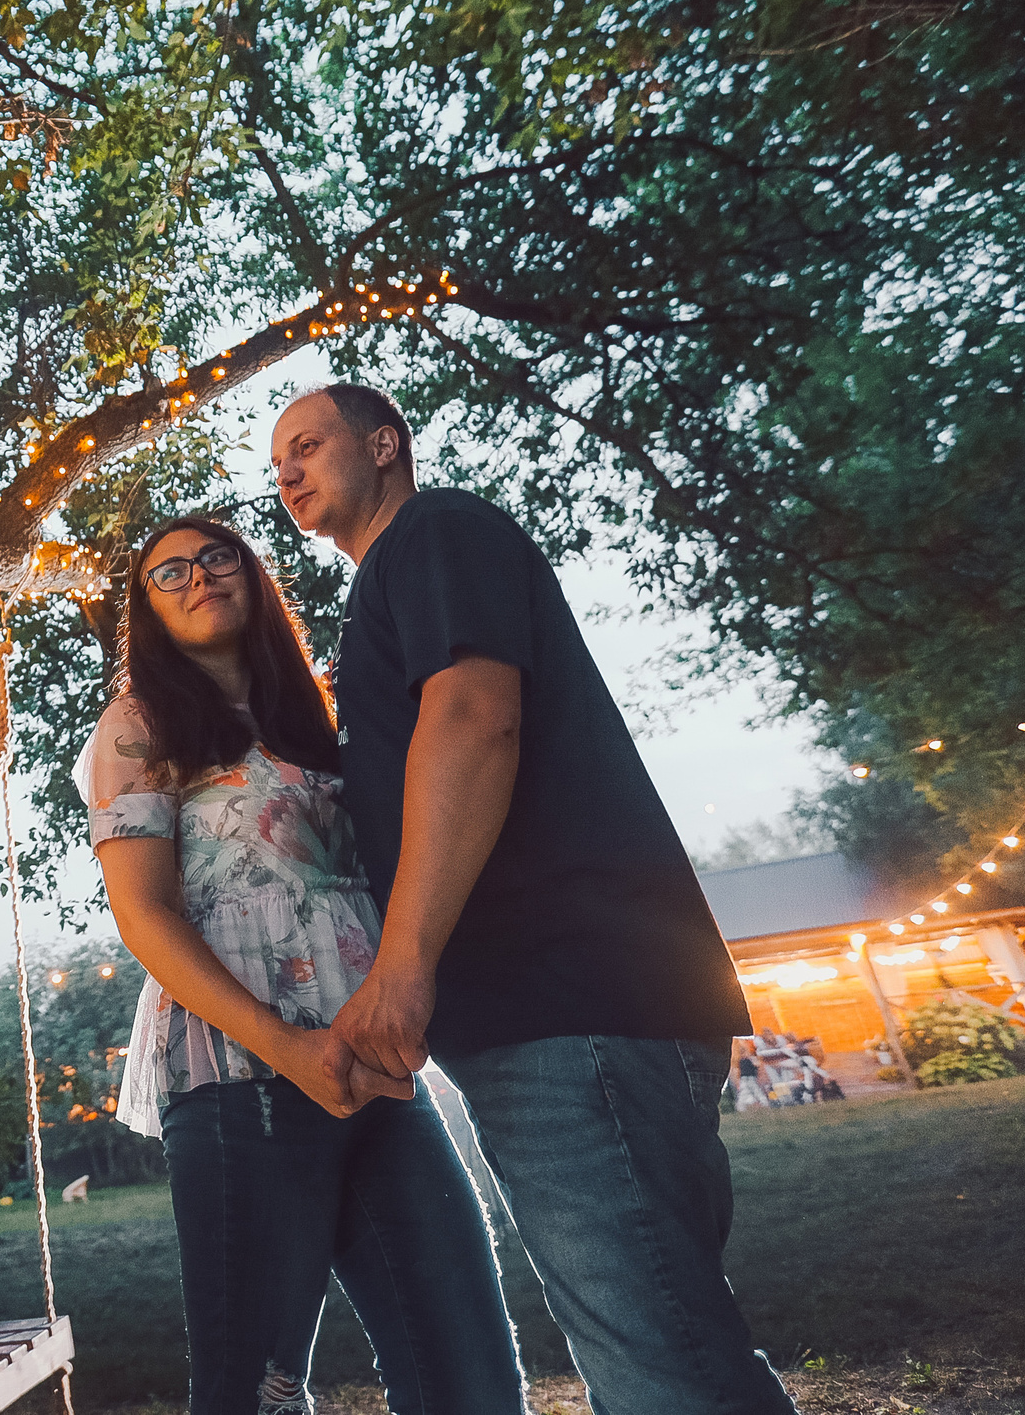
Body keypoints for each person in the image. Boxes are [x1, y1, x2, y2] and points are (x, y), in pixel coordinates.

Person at [274, 383, 796, 1415]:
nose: (285, 470)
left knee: (660, 1369)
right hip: (566, 1017)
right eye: (274, 461)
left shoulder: (432, 530)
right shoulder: (396, 575)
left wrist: (403, 968)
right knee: (670, 1343)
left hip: (572, 1005)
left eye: (306, 444)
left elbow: (472, 717)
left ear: (384, 444)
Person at [79, 514, 522, 1415]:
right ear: (148, 611)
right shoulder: (137, 726)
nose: (198, 577)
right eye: (169, 574)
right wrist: (286, 1047)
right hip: (243, 1068)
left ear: (251, 574)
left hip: (376, 1055)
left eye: (216, 557)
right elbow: (144, 914)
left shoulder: (323, 714)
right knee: (256, 1388)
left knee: (467, 1366)